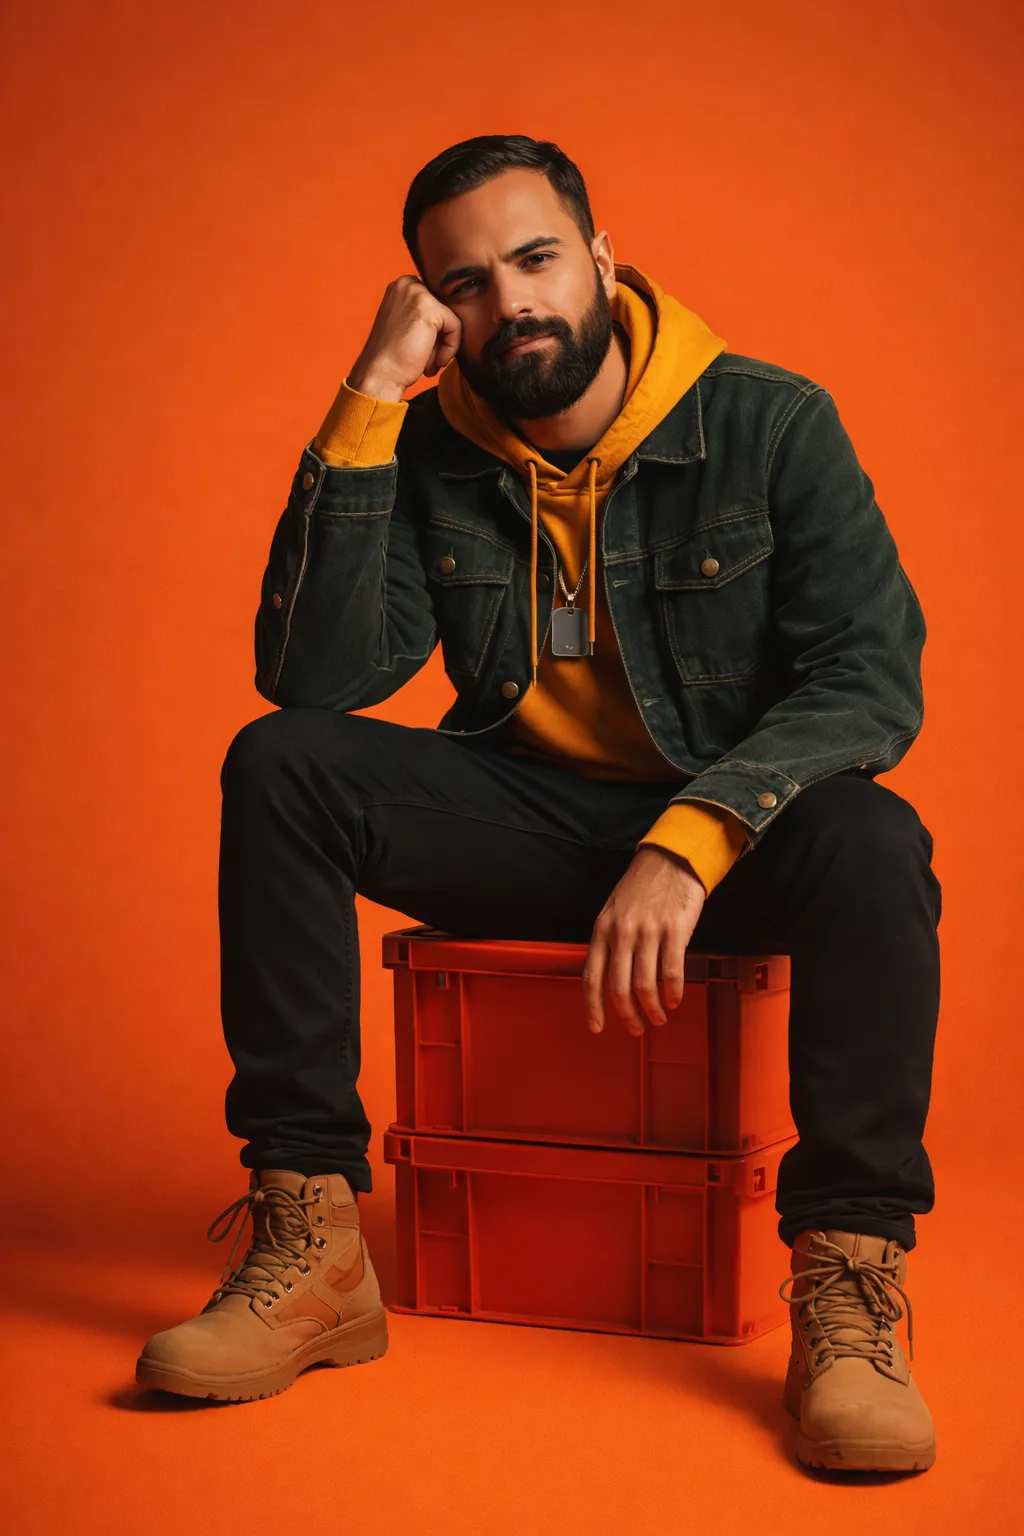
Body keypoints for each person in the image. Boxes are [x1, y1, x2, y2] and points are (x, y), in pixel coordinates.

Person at [135, 134, 941, 1473]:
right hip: (530, 829)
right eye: (464, 282)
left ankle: (848, 1284)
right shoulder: (433, 445)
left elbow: (870, 682)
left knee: (872, 833)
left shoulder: (770, 422)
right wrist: (369, 400)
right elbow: (318, 676)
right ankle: (314, 1239)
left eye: (534, 257)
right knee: (281, 760)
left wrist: (692, 837)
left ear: (601, 258)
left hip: (726, 847)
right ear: (433, 310)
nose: (509, 302)